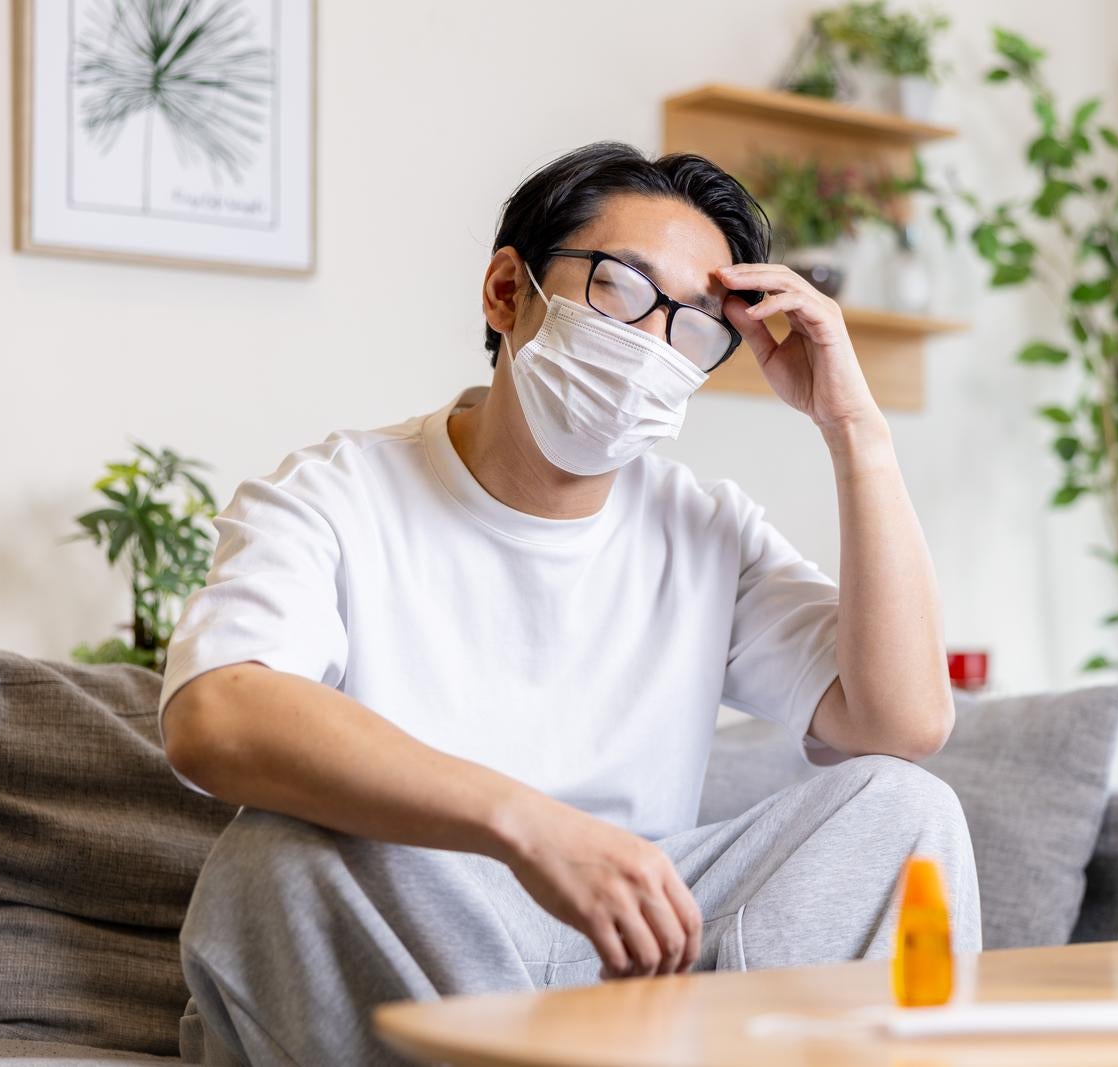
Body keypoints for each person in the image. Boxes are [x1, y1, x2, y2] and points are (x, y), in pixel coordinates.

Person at [159, 141, 980, 1066]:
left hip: (645, 951)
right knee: (278, 854)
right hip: (433, 934)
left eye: (697, 323)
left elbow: (902, 720)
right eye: (621, 290)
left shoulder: (704, 528)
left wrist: (854, 429)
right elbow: (215, 712)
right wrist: (530, 829)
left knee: (906, 809)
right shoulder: (333, 494)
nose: (652, 345)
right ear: (507, 292)